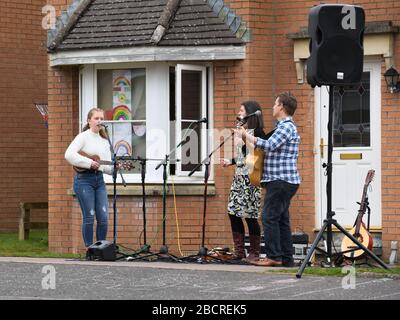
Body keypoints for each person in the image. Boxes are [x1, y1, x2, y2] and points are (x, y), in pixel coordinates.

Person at [239, 92, 300, 267]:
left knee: (268, 217)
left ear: (281, 106)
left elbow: (269, 145)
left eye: (275, 104)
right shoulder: (284, 126)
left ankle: (274, 256)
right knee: (281, 219)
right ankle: (286, 258)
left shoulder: (286, 127)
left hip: (281, 180)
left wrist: (246, 135)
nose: (273, 107)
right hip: (283, 181)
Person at [220, 101, 270, 262]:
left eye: (242, 110)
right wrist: (231, 161)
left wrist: (243, 140)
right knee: (233, 212)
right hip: (239, 177)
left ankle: (254, 252)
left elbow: (255, 156)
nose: (239, 113)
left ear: (250, 113)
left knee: (250, 215)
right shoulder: (244, 131)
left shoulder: (258, 132)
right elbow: (243, 156)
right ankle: (239, 251)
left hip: (251, 178)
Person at [65, 108, 114, 249]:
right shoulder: (83, 137)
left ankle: (101, 248)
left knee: (103, 218)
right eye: (96, 118)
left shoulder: (105, 141)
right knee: (89, 216)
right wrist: (89, 163)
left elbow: (105, 167)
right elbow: (68, 155)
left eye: (101, 118)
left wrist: (115, 168)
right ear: (89, 121)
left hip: (99, 181)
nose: (99, 121)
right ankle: (89, 249)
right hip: (83, 180)